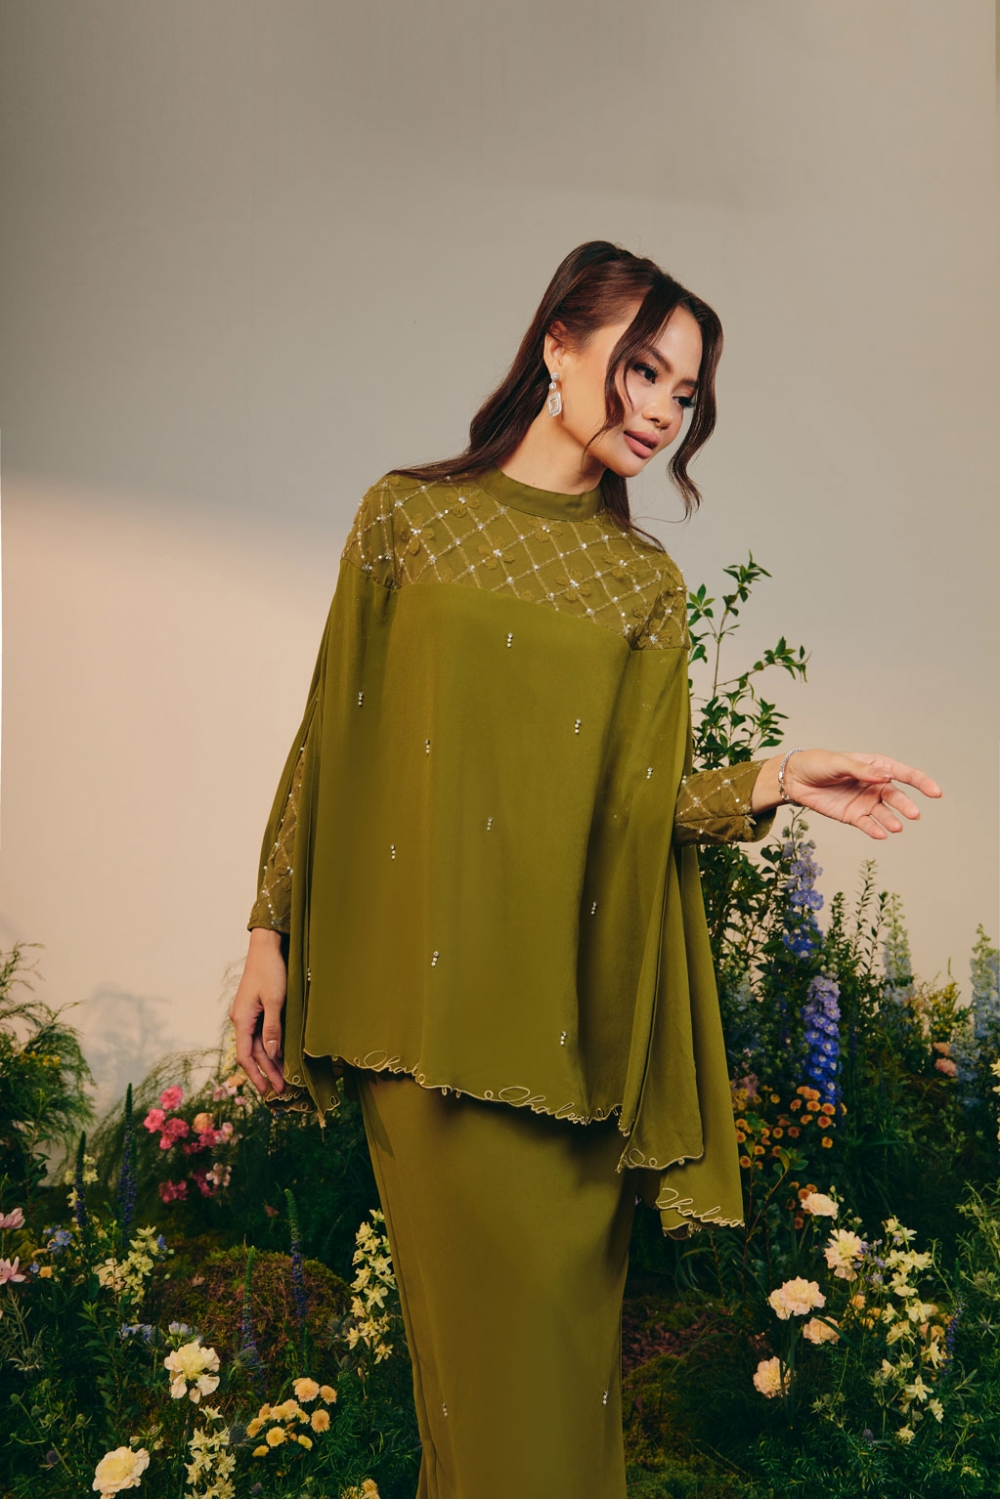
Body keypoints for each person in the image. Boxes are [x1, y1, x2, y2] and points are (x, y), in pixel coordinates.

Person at [229, 240, 942, 1499]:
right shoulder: (407, 517)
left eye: (685, 393)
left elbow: (635, 806)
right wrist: (266, 934)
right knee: (472, 1393)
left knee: (556, 1395)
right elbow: (329, 734)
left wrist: (776, 778)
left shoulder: (642, 587)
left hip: (566, 1044)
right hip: (418, 1022)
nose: (661, 411)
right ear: (558, 344)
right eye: (644, 370)